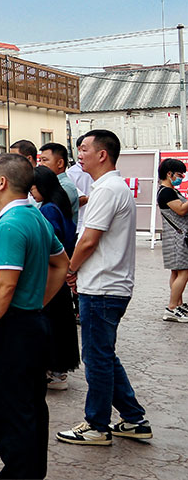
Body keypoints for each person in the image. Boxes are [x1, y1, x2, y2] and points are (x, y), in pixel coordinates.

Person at [0, 154, 70, 479]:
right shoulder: (34, 216)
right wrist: (37, 300)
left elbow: (5, 285)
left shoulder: (11, 224)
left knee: (12, 412)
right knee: (30, 407)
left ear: (2, 182)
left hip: (10, 328)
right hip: (29, 323)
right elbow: (62, 264)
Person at [57, 129, 153, 445]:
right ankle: (134, 419)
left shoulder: (108, 190)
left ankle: (97, 425)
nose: (79, 155)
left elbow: (89, 240)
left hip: (102, 287)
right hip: (106, 285)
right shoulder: (109, 188)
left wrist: (70, 269)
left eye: (84, 149)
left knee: (97, 358)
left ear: (102, 154)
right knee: (104, 355)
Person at [32, 165, 81, 391]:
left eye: (33, 187)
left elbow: (50, 244)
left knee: (52, 323)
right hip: (59, 274)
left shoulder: (48, 210)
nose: (31, 192)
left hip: (52, 274)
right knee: (60, 322)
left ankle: (55, 371)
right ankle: (57, 370)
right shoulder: (58, 205)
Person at [156, 158, 188, 322]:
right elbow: (181, 210)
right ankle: (172, 307)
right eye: (179, 174)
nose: (181, 178)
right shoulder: (166, 192)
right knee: (184, 272)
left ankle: (178, 305)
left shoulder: (169, 191)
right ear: (169, 174)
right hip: (177, 238)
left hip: (175, 236)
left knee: (176, 272)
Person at [39, 142, 82, 225]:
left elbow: (49, 214)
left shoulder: (65, 186)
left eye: (44, 160)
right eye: (40, 160)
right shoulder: (49, 184)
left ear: (60, 163)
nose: (40, 164)